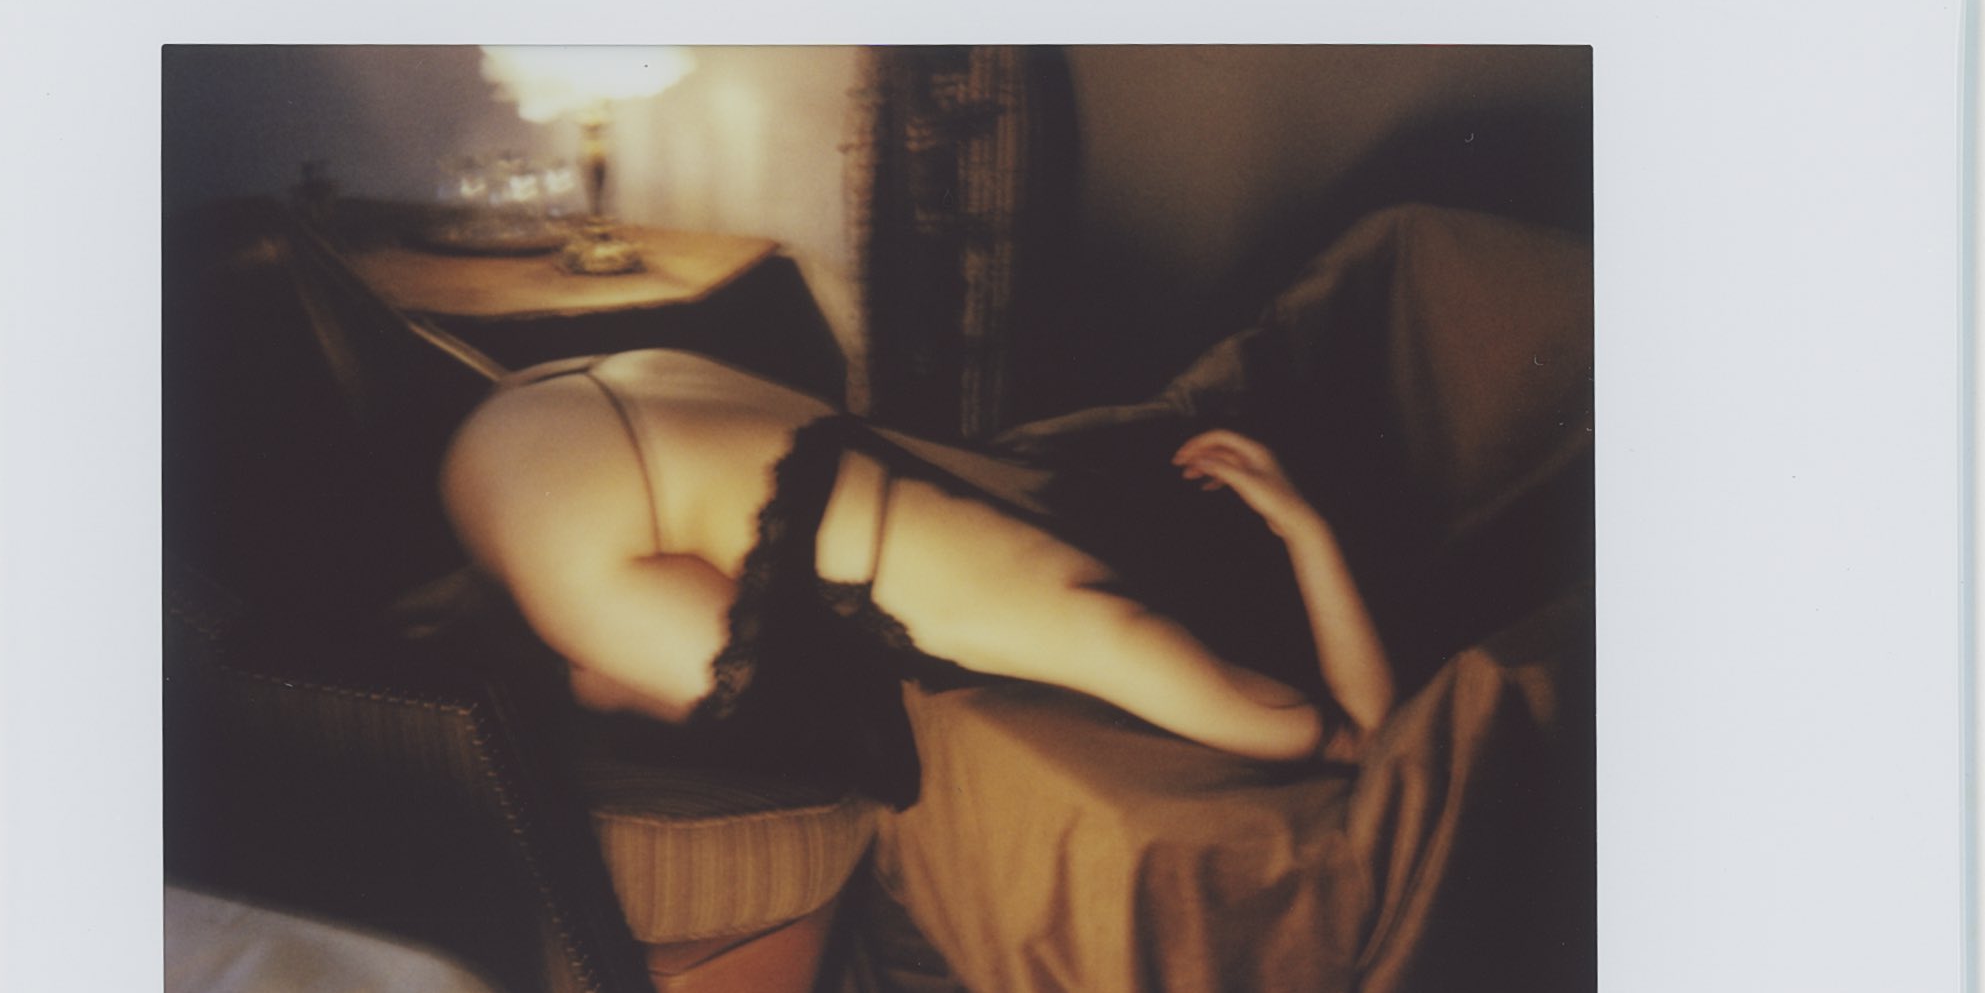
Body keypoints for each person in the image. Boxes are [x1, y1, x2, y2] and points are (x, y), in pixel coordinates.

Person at [440, 348, 1395, 804]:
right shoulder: (1110, 627)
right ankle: (506, 641)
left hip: (576, 385)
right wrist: (1308, 533)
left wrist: (1288, 509)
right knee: (756, 715)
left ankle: (483, 615)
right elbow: (1368, 738)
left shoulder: (1068, 473)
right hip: (559, 518)